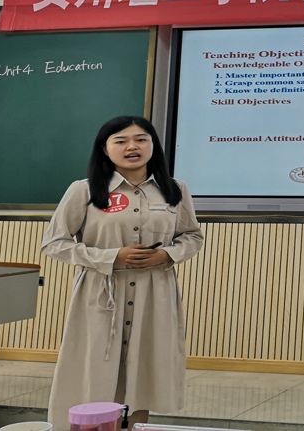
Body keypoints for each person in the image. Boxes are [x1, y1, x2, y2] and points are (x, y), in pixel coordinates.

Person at [42, 116, 204, 429]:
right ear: (105, 149)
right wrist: (112, 256)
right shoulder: (84, 190)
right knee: (94, 373)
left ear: (153, 145)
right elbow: (54, 243)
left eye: (141, 139)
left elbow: (192, 237)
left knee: (144, 373)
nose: (133, 146)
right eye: (121, 140)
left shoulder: (175, 189)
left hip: (154, 293)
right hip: (101, 292)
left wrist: (166, 254)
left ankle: (135, 426)